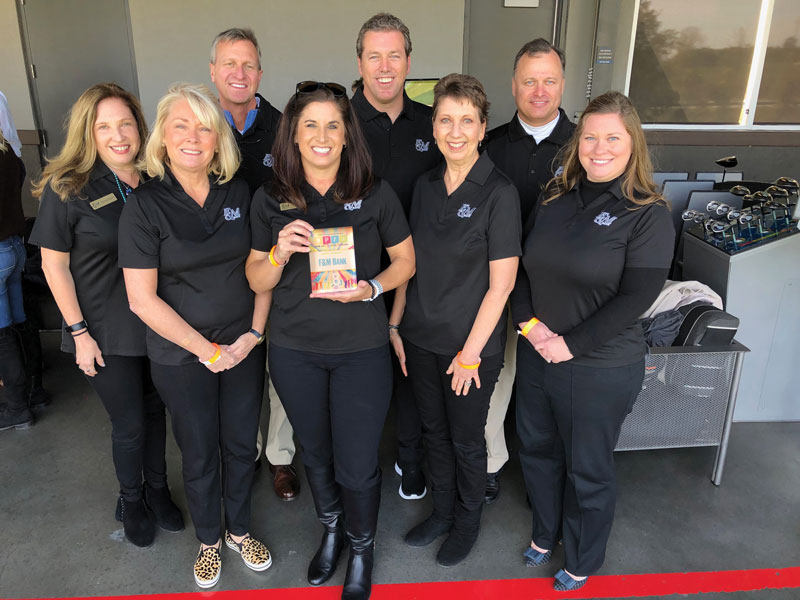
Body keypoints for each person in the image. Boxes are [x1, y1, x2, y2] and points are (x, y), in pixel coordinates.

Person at [246, 81, 415, 600]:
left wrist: (371, 289)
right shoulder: (270, 197)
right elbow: (256, 280)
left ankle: (362, 548)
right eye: (310, 126)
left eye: (333, 125)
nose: (322, 136)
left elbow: (406, 261)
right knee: (315, 453)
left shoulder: (375, 191)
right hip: (295, 351)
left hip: (361, 352)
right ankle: (333, 529)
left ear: (347, 135)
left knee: (358, 460)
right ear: (293, 137)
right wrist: (276, 252)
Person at [510, 91, 674, 591]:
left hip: (599, 365)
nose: (599, 148)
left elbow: (636, 297)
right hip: (538, 353)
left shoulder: (648, 212)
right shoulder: (554, 197)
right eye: (590, 137)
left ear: (632, 144)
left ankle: (581, 556)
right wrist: (530, 326)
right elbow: (519, 268)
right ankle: (545, 532)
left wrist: (571, 345)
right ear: (577, 142)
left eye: (612, 138)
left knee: (587, 468)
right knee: (536, 450)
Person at [118, 83, 271, 588]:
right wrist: (206, 351)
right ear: (161, 139)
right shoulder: (144, 206)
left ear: (217, 139)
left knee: (241, 444)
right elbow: (142, 299)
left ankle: (239, 530)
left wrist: (252, 334)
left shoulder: (239, 193)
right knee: (201, 448)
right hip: (182, 356)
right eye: (180, 125)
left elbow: (259, 269)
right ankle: (210, 538)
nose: (192, 136)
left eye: (204, 126)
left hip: (242, 347)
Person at [29, 83, 184, 546]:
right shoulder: (68, 186)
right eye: (104, 127)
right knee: (130, 421)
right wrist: (77, 332)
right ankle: (131, 498)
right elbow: (52, 265)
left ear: (139, 128)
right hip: (101, 330)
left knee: (157, 413)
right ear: (88, 133)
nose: (118, 136)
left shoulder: (158, 178)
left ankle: (158, 490)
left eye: (125, 124)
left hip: (156, 324)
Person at [390, 74, 521, 567]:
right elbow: (408, 263)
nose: (456, 130)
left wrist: (470, 356)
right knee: (433, 434)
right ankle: (442, 514)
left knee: (467, 442)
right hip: (421, 338)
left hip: (471, 350)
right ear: (435, 126)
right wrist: (395, 325)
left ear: (483, 127)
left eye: (467, 120)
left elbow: (502, 285)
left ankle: (467, 522)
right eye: (446, 119)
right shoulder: (425, 186)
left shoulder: (499, 193)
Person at [481, 38, 576, 503]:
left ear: (563, 84)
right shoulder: (490, 146)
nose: (539, 90)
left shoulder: (587, 147)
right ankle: (490, 463)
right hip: (496, 291)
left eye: (549, 80)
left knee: (550, 386)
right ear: (514, 85)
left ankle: (553, 474)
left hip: (559, 295)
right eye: (529, 81)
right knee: (496, 378)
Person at [352, 12, 440, 500]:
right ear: (359, 62)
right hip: (352, 279)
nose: (384, 67)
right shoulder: (337, 124)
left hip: (416, 276)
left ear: (409, 61)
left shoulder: (433, 124)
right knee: (359, 379)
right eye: (373, 56)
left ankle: (411, 460)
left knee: (411, 371)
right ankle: (359, 468)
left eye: (394, 55)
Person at [209, 27, 300, 501]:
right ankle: (244, 452)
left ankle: (280, 458)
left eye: (247, 65)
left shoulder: (284, 126)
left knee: (279, 371)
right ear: (213, 71)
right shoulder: (201, 125)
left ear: (260, 72)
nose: (238, 74)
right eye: (229, 64)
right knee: (238, 371)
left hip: (275, 267)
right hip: (222, 275)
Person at [0, 129, 32, 431]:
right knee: (19, 322)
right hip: (14, 246)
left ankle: (16, 407)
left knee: (2, 334)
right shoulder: (7, 149)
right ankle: (36, 393)